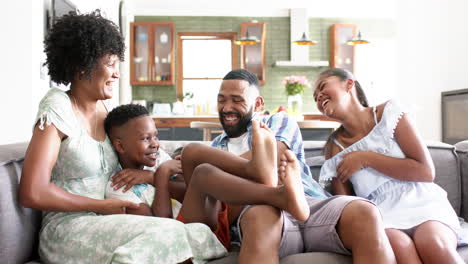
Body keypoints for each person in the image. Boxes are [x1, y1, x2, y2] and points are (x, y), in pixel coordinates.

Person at [18, 10, 226, 264]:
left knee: (198, 233)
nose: (117, 74)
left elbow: (137, 153)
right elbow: (32, 192)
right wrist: (101, 206)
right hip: (70, 228)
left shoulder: (106, 112)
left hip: (112, 218)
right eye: (110, 64)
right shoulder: (58, 106)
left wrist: (153, 172)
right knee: (169, 233)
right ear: (81, 65)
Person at [210, 69, 397, 263]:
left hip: (310, 202)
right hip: (261, 209)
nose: (226, 108)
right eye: (221, 100)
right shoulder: (215, 148)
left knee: (366, 212)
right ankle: (278, 198)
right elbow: (215, 200)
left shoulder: (277, 121)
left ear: (257, 104)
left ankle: (289, 196)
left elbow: (274, 157)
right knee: (259, 217)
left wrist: (228, 168)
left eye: (237, 100)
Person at [104, 104, 312, 251]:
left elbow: (190, 190)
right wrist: (161, 175)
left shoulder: (157, 159)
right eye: (145, 138)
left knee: (193, 153)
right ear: (120, 146)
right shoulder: (119, 188)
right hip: (186, 237)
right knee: (202, 173)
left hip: (204, 216)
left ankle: (255, 170)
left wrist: (152, 176)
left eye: (156, 136)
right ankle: (276, 192)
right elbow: (162, 227)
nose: (155, 143)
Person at [315, 68, 464, 263]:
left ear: (349, 84)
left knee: (433, 243)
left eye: (323, 86)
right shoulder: (334, 147)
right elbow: (346, 205)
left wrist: (365, 158)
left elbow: (426, 171)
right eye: (315, 97)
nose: (318, 96)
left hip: (421, 201)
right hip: (381, 214)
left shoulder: (390, 113)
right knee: (400, 248)